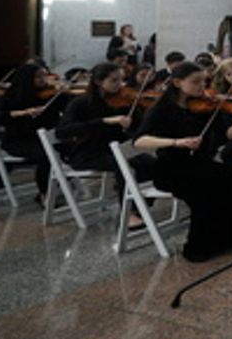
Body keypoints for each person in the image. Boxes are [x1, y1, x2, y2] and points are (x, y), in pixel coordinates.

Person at [132, 61, 232, 261]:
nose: (202, 86)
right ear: (178, 83)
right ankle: (199, 247)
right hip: (172, 169)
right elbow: (139, 141)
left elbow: (227, 135)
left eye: (204, 81)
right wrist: (176, 142)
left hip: (200, 163)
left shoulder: (204, 106)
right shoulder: (162, 108)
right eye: (196, 82)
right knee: (206, 188)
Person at [56, 62, 157, 227]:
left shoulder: (122, 101)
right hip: (87, 152)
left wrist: (138, 119)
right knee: (126, 166)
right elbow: (63, 131)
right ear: (98, 81)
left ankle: (140, 206)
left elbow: (134, 129)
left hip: (115, 149)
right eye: (114, 81)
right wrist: (104, 121)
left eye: (121, 80)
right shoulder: (80, 103)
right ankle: (128, 214)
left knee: (151, 164)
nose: (120, 85)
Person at [0, 62, 66, 198]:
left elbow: (69, 110)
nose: (43, 80)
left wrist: (63, 94)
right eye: (38, 77)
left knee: (70, 149)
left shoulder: (49, 94)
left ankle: (59, 185)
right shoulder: (10, 97)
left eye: (45, 76)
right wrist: (23, 113)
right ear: (27, 78)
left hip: (46, 138)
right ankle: (45, 193)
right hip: (19, 141)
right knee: (47, 155)